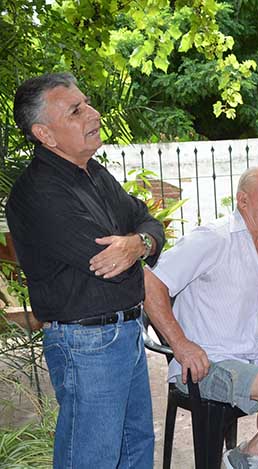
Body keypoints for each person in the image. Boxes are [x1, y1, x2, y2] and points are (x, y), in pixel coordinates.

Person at [7, 72, 165, 468]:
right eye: (76, 110)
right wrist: (136, 248)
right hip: (86, 345)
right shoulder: (38, 193)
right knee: (92, 457)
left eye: (87, 103)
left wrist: (138, 243)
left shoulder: (94, 173)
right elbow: (108, 267)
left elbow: (148, 223)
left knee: (135, 449)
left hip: (125, 332)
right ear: (45, 134)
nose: (93, 113)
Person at [143, 167, 258, 469]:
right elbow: (151, 283)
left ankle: (246, 456)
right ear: (243, 201)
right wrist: (181, 345)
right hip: (207, 361)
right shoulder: (214, 238)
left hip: (250, 352)